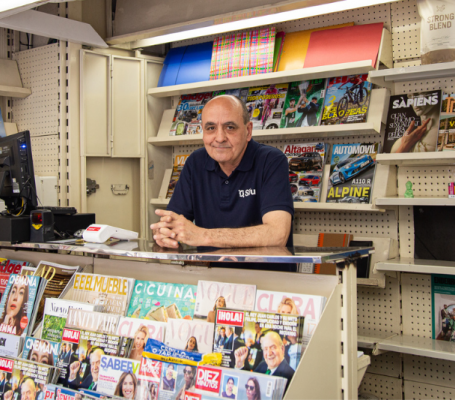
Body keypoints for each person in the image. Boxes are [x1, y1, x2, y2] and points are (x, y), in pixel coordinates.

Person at [151, 95, 295, 272]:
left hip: (268, 284)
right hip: (212, 282)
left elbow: (277, 234)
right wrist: (164, 233)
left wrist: (203, 236)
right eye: (211, 128)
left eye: (230, 127)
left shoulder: (271, 161)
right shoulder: (195, 163)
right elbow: (171, 224)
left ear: (248, 131)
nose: (219, 138)